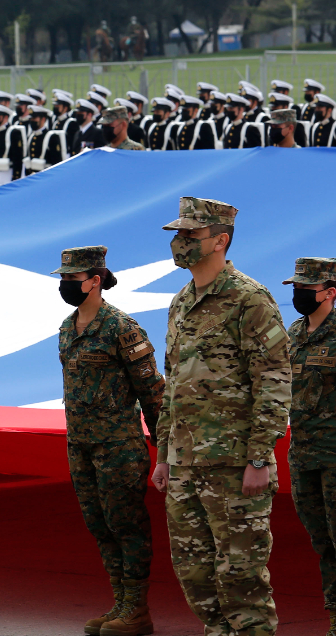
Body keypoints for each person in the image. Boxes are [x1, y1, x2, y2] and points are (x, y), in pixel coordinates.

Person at [151, 197, 289, 636]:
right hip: (186, 463)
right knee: (195, 575)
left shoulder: (250, 300)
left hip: (233, 464)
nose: (179, 243)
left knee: (241, 579)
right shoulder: (180, 302)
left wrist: (259, 456)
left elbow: (273, 379)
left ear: (220, 240)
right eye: (177, 235)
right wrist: (164, 454)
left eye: (191, 235)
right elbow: (171, 385)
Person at [53, 246, 164, 636]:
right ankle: (119, 602)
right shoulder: (68, 327)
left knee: (126, 524)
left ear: (95, 280)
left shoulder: (122, 328)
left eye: (72, 279)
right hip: (80, 445)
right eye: (63, 278)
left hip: (118, 447)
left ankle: (136, 608)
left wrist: (164, 451)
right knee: (98, 525)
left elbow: (153, 393)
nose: (65, 285)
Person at [281, 257, 336, 632]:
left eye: (307, 289)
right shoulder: (294, 333)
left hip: (334, 458)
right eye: (296, 288)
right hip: (302, 455)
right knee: (323, 544)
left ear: (330, 293)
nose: (299, 294)